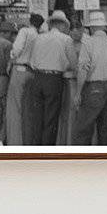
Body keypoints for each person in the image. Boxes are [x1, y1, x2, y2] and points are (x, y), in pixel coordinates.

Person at [72, 10, 107, 145]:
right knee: (106, 129)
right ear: (105, 27)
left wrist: (78, 93)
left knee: (83, 130)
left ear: (92, 27)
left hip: (93, 89)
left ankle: (84, 163)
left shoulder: (88, 43)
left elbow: (83, 69)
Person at [24, 10, 73, 145]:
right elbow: (73, 64)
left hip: (37, 78)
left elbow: (31, 61)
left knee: (37, 119)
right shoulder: (66, 39)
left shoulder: (38, 38)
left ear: (51, 24)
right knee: (50, 119)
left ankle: (36, 149)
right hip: (54, 80)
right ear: (63, 25)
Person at [5, 12, 42, 145]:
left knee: (15, 109)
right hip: (32, 73)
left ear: (30, 21)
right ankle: (28, 141)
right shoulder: (39, 36)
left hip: (19, 69)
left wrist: (10, 60)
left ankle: (15, 142)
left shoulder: (25, 31)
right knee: (28, 109)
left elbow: (16, 49)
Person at [56, 19, 83, 144]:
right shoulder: (69, 44)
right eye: (73, 30)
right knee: (71, 112)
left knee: (70, 113)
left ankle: (68, 140)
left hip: (71, 80)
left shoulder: (67, 43)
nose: (76, 33)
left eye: (78, 30)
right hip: (72, 81)